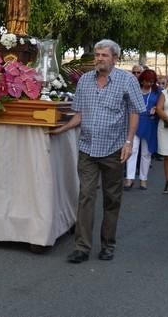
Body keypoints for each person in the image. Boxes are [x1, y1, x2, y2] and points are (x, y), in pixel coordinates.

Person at [49, 39, 144, 263]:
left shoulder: (127, 80)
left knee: (112, 199)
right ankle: (82, 247)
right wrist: (59, 130)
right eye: (97, 55)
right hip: (87, 149)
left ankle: (108, 245)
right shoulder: (84, 80)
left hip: (114, 150)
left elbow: (135, 112)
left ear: (115, 58)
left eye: (104, 55)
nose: (99, 58)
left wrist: (129, 142)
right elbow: (79, 115)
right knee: (85, 197)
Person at [125, 69, 160, 190]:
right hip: (135, 121)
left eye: (151, 81)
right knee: (132, 150)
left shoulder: (157, 91)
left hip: (150, 123)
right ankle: (129, 178)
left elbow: (162, 105)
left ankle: (143, 179)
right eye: (146, 81)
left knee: (146, 153)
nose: (149, 84)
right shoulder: (135, 90)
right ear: (142, 80)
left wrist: (156, 108)